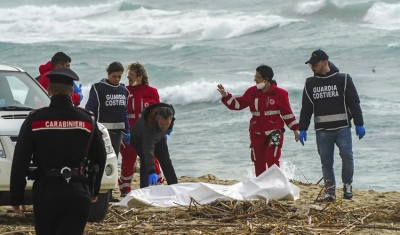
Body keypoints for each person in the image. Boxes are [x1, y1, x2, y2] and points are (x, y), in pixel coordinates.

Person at [9, 68, 107, 235]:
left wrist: (17, 196)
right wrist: (94, 188)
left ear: (48, 90)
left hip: (46, 192)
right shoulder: (87, 119)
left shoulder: (35, 120)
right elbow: (100, 156)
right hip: (78, 191)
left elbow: (20, 160)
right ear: (71, 92)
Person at [299, 49, 365, 202]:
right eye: (311, 65)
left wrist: (359, 123)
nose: (312, 67)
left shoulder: (343, 79)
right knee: (326, 162)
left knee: (347, 156)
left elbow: (353, 102)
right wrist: (302, 128)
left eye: (315, 64)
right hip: (322, 131)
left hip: (342, 128)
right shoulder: (310, 83)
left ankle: (347, 184)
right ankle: (330, 192)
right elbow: (306, 108)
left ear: (325, 63)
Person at [217, 65, 299, 177]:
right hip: (256, 133)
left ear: (266, 79)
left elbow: (287, 113)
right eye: (255, 76)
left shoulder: (280, 93)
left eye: (257, 77)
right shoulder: (251, 92)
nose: (254, 79)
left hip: (275, 132)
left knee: (272, 160)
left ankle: (276, 185)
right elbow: (238, 104)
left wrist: (295, 129)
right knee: (258, 162)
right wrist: (226, 97)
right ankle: (261, 187)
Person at [118, 62, 167, 196]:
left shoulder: (152, 92)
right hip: (129, 131)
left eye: (131, 75)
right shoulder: (124, 91)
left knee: (152, 158)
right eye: (128, 75)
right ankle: (125, 189)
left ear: (139, 77)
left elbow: (159, 113)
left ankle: (158, 185)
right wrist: (123, 131)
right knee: (128, 159)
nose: (128, 77)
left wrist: (163, 131)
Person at [85, 61, 130, 202]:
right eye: (114, 76)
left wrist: (127, 131)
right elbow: (90, 109)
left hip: (116, 134)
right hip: (101, 133)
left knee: (112, 161)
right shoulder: (99, 88)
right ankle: (93, 191)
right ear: (108, 74)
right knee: (98, 161)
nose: (116, 79)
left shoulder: (124, 91)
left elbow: (125, 112)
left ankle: (108, 194)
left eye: (119, 76)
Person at [130, 103, 178, 188]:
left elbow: (170, 121)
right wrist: (152, 171)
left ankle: (174, 187)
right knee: (146, 161)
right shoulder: (148, 124)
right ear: (157, 118)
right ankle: (144, 189)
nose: (164, 127)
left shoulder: (170, 113)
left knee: (166, 161)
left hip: (159, 137)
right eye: (162, 124)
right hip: (140, 139)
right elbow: (148, 150)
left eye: (167, 124)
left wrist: (170, 128)